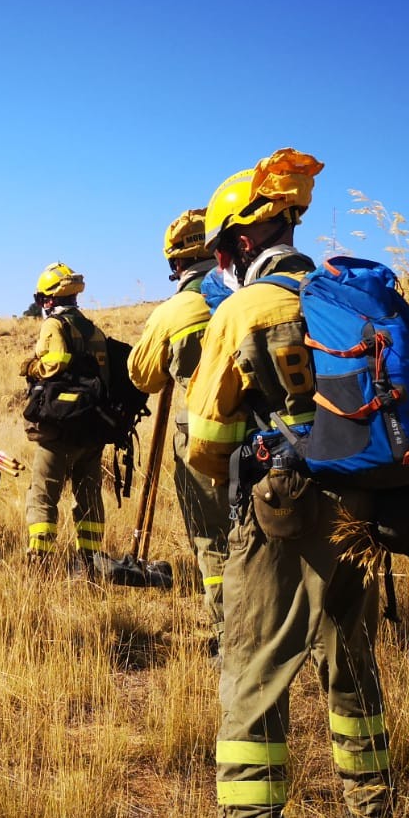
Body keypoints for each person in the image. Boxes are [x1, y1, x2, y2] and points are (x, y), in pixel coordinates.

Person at [186, 149, 392, 818]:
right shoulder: (348, 297)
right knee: (350, 664)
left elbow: (206, 441)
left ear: (241, 243)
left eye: (220, 251)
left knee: (251, 681)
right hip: (364, 508)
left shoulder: (245, 310)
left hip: (284, 515)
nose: (220, 263)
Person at [127, 210, 231, 644]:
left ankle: (230, 634)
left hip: (206, 443)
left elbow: (142, 377)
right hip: (277, 439)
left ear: (175, 262)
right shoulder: (259, 294)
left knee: (214, 540)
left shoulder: (176, 311)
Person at [19, 262, 109, 572]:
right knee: (89, 496)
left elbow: (55, 363)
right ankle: (91, 562)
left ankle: (39, 562)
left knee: (42, 495)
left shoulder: (54, 325)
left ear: (47, 298)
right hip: (92, 428)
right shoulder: (93, 329)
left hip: (60, 429)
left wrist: (32, 367)